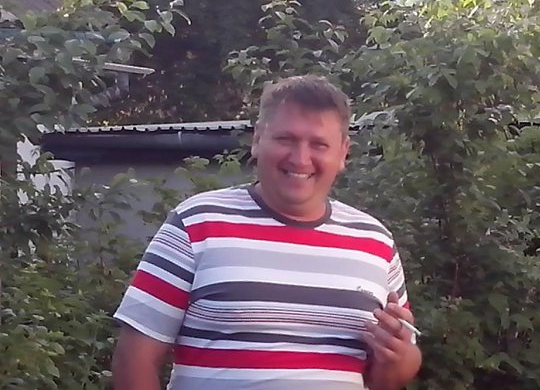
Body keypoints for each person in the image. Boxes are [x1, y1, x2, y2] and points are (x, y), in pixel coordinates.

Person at [111, 74, 422, 390]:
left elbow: (389, 378)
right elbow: (133, 358)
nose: (300, 159)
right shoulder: (196, 223)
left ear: (343, 153)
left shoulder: (375, 241)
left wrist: (398, 359)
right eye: (286, 139)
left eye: (318, 144)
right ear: (258, 139)